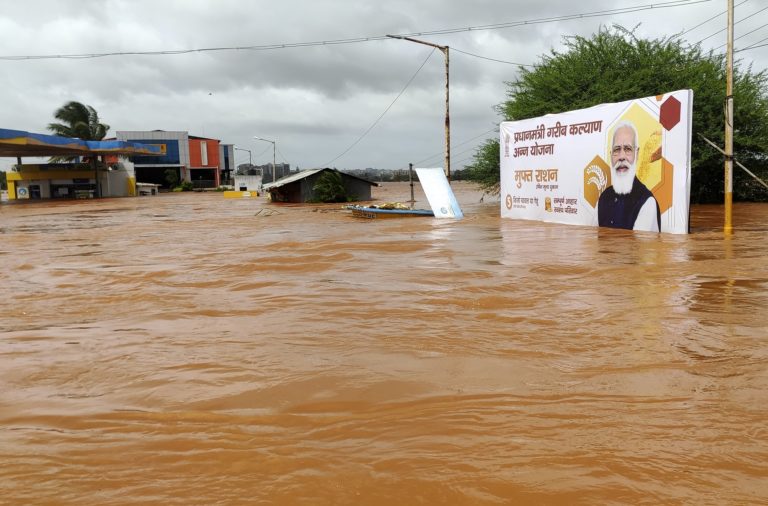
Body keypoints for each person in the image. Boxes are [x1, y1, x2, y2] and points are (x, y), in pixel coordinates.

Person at [597, 121, 660, 232]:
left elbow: (639, 249)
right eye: (617, 150)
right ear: (611, 155)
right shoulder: (603, 198)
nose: (622, 157)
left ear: (637, 154)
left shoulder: (647, 203)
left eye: (627, 149)